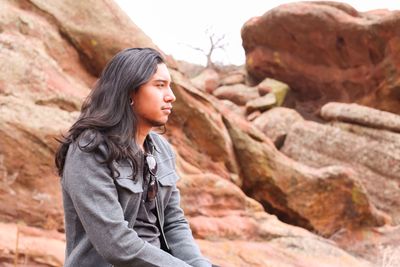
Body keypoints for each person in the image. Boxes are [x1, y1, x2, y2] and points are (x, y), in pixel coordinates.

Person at [55, 48, 215, 266]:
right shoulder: (89, 150)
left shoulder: (161, 150)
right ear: (130, 91)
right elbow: (116, 243)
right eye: (160, 85)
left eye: (170, 86)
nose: (171, 96)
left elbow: (173, 222)